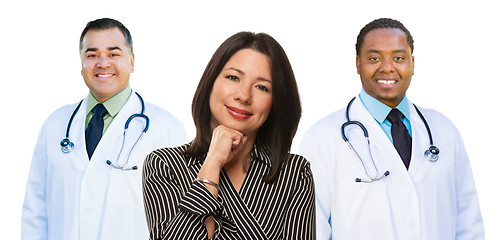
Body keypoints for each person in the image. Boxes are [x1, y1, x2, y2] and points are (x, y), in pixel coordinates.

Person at [300, 18, 484, 240]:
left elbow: (469, 224)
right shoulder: (321, 139)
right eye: (374, 58)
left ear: (412, 64)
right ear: (358, 64)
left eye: (398, 58)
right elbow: (312, 231)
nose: (387, 67)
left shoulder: (445, 131)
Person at [21, 18, 187, 240]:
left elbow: (182, 219)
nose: (102, 63)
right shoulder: (55, 125)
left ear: (132, 61)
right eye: (92, 55)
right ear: (81, 65)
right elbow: (35, 212)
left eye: (113, 54)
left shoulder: (167, 129)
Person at [143, 31, 315, 240]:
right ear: (210, 83)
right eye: (233, 77)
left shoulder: (294, 174)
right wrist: (213, 163)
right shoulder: (164, 165)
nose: (243, 95)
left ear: (275, 102)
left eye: (262, 87)